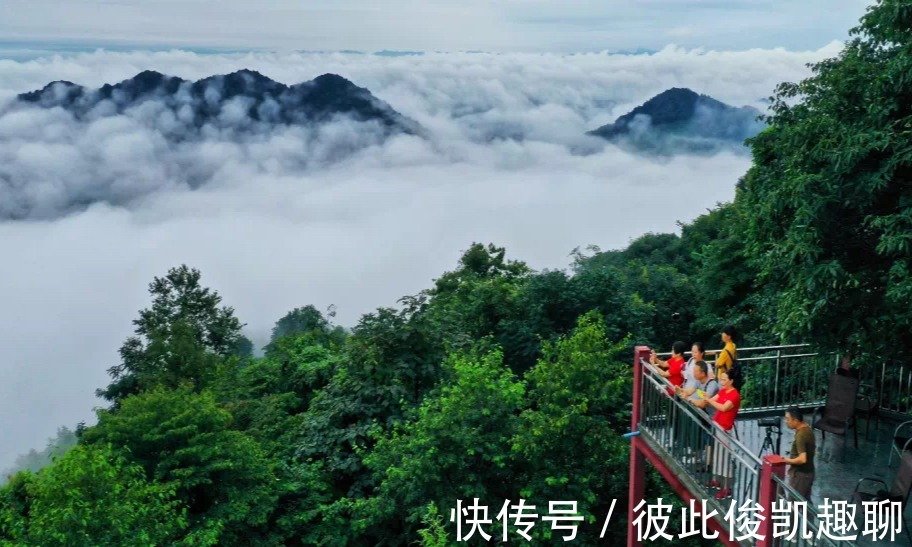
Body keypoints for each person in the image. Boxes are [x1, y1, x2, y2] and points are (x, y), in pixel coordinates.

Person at [700, 369, 741, 499]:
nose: (721, 382)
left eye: (724, 379)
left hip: (725, 428)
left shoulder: (734, 395)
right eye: (721, 379)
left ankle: (727, 488)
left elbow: (723, 407)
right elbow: (712, 400)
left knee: (724, 458)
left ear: (731, 381)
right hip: (718, 425)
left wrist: (708, 400)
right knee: (717, 456)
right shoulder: (723, 391)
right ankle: (717, 480)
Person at [783, 406, 815, 500]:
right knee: (805, 503)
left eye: (788, 419)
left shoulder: (801, 435)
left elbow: (802, 459)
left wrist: (787, 461)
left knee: (793, 505)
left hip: (801, 475)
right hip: (808, 473)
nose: (786, 421)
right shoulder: (806, 428)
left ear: (796, 420)